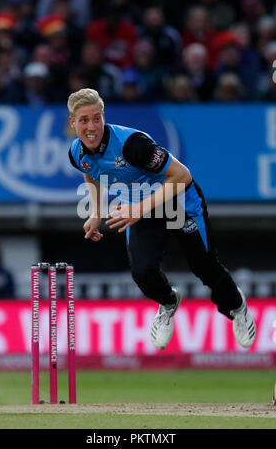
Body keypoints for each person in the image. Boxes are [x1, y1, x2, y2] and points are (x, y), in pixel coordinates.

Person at [67, 87, 256, 350]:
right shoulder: (76, 153)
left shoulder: (134, 145)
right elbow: (92, 174)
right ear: (72, 122)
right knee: (142, 272)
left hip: (179, 202)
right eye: (84, 120)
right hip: (142, 208)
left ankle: (237, 307)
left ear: (103, 117)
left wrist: (139, 208)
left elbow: (182, 176)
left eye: (96, 118)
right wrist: (96, 213)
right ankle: (168, 303)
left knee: (205, 268)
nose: (91, 127)